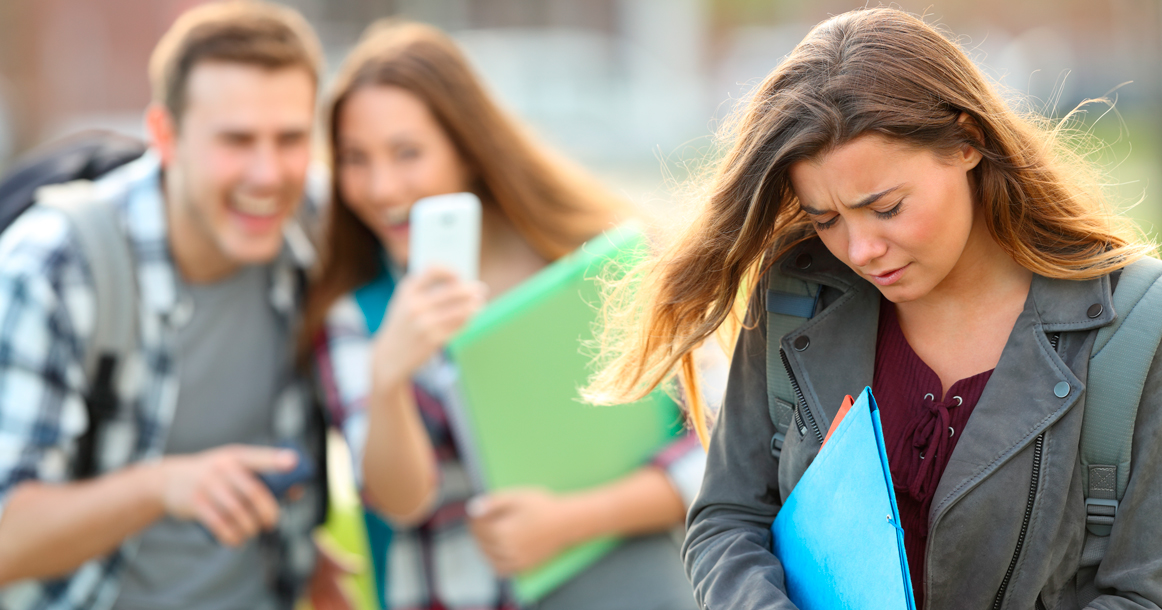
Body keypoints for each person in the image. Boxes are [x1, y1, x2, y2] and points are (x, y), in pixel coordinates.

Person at [584, 7, 1162, 610]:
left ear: (969, 141)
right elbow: (729, 518)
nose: (861, 250)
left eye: (886, 208)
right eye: (825, 218)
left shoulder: (1140, 327)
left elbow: (1143, 594)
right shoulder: (796, 294)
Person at [0, 4, 434, 610]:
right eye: (236, 140)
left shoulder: (318, 230)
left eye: (289, 140)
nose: (267, 174)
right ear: (165, 135)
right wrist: (161, 488)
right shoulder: (54, 267)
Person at [303, 20, 705, 610]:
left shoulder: (594, 266)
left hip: (619, 585)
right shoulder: (356, 313)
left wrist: (565, 522)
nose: (381, 186)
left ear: (467, 151)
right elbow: (401, 501)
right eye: (355, 159)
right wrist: (389, 375)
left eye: (407, 153)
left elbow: (711, 454)